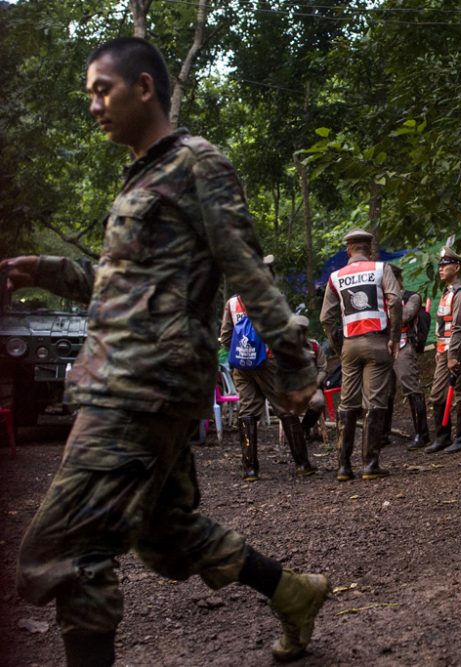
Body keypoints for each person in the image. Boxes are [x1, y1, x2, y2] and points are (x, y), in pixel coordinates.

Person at [4, 38, 329, 666]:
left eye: (103, 90)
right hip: (136, 376)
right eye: (89, 95)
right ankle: (292, 593)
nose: (94, 105)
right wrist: (42, 269)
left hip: (141, 383)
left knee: (65, 550)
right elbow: (116, 281)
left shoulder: (196, 164)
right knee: (164, 532)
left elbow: (246, 270)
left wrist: (293, 365)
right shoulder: (143, 177)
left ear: (145, 87)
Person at [220, 257, 316, 479]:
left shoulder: (233, 303)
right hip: (270, 363)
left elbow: (226, 336)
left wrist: (244, 353)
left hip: (242, 365)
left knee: (247, 411)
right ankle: (302, 464)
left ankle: (250, 469)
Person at [320, 229, 401, 481]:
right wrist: (395, 339)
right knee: (375, 401)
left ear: (348, 250)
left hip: (350, 345)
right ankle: (370, 464)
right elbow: (396, 302)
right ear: (369, 249)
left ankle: (343, 467)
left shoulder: (335, 277)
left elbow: (325, 318)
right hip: (377, 342)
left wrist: (338, 345)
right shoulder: (381, 269)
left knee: (347, 403)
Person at [425, 247, 461, 453]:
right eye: (440, 265)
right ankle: (442, 437)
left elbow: (458, 327)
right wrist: (441, 352)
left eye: (445, 265)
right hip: (445, 349)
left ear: (456, 268)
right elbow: (443, 327)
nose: (440, 269)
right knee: (437, 393)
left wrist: (453, 355)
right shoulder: (447, 294)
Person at [388, 264, 432, 450]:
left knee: (410, 386)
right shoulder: (380, 298)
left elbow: (405, 316)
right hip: (382, 348)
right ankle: (383, 433)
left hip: (404, 345)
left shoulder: (411, 297)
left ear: (397, 279)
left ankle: (422, 434)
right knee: (383, 391)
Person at [298, 317, 331, 442]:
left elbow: (323, 369)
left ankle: (305, 427)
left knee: (318, 402)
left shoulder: (314, 346)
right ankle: (294, 434)